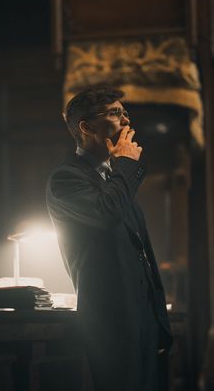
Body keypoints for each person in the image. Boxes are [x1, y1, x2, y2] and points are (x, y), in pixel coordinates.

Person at [46, 84, 173, 391]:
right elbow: (108, 213)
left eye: (125, 112)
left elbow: (141, 254)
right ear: (86, 127)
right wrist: (126, 164)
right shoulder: (66, 178)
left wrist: (158, 324)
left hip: (144, 323)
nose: (127, 121)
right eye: (116, 114)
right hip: (111, 325)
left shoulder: (114, 178)